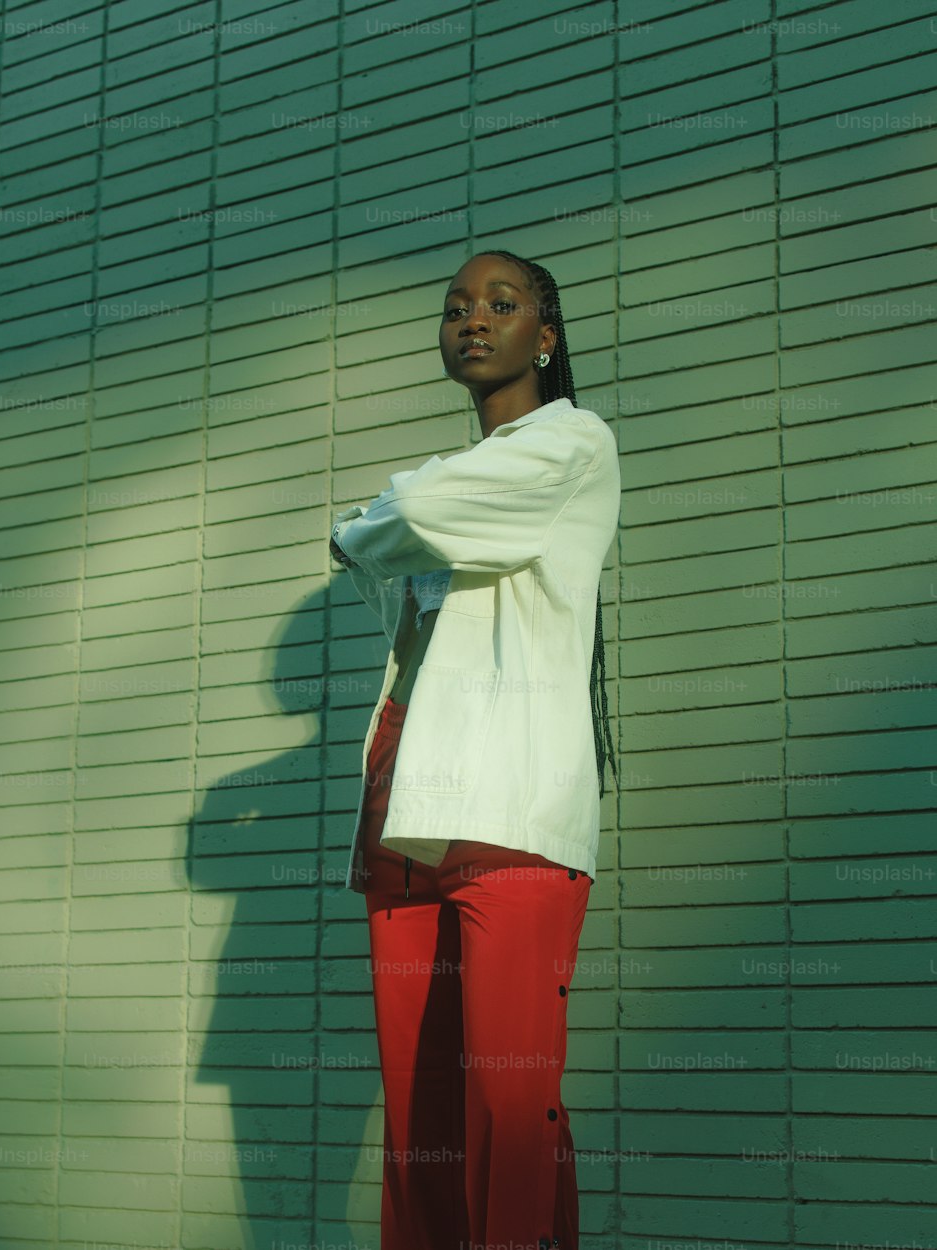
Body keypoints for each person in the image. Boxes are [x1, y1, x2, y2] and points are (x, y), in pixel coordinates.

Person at [329, 250, 621, 1250]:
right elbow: (406, 542)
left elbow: (396, 519)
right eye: (454, 306)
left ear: (546, 333)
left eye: (502, 303)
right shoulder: (463, 474)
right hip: (402, 809)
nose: (471, 319)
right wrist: (386, 522)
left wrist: (367, 521)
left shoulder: (573, 441)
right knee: (423, 1129)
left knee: (508, 1109)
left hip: (511, 815)